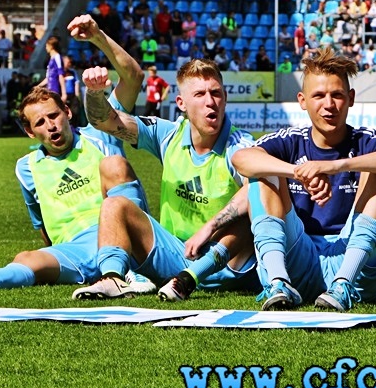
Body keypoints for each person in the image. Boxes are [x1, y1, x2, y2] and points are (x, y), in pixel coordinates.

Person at [0, 16, 156, 296]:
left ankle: (129, 269)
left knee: (114, 167)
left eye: (54, 115)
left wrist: (98, 37)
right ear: (30, 133)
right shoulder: (27, 168)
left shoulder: (101, 133)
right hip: (73, 251)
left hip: (120, 238)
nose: (50, 125)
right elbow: (42, 225)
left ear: (67, 113)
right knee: (27, 258)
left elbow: (133, 76)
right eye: (40, 123)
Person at [232, 47, 376, 311]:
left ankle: (343, 284)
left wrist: (336, 165)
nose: (329, 105)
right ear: (303, 100)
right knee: (261, 174)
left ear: (350, 98)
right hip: (300, 259)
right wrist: (297, 171)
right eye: (318, 95)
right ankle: (278, 283)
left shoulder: (368, 139)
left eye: (337, 95)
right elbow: (242, 159)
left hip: (360, 267)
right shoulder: (289, 141)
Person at [72, 55, 257, 302]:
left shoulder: (239, 145)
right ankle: (113, 278)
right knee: (114, 204)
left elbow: (259, 190)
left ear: (225, 98)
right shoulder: (168, 135)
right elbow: (106, 122)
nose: (210, 102)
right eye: (200, 94)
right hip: (175, 256)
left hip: (224, 263)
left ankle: (193, 276)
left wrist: (210, 227)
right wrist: (95, 93)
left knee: (255, 195)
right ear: (181, 102)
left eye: (216, 93)